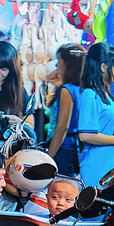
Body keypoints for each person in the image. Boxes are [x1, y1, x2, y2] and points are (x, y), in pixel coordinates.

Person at [74, 42, 114, 187]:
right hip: (99, 169)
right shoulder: (90, 95)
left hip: (112, 166)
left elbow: (100, 126)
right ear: (103, 67)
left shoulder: (104, 95)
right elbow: (86, 135)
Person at [42, 42, 88, 178]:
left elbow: (62, 127)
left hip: (63, 149)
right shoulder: (83, 89)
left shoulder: (67, 90)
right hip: (76, 148)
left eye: (59, 61)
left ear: (68, 64)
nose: (56, 66)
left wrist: (49, 157)